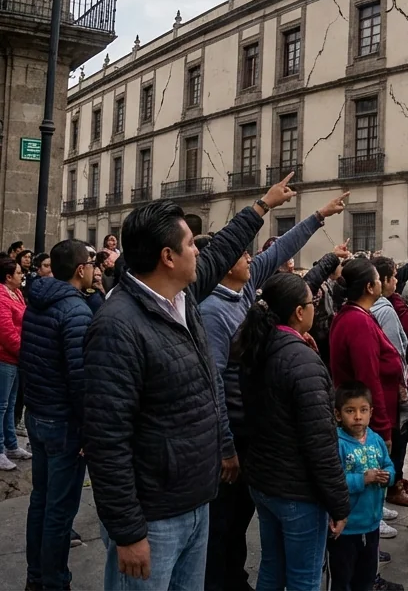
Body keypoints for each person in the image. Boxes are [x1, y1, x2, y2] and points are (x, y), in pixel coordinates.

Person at [84, 176, 293, 591]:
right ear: (167, 256)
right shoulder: (117, 326)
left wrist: (262, 207)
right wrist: (128, 532)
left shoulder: (184, 296)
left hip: (197, 502)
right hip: (153, 518)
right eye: (191, 244)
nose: (199, 251)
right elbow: (106, 441)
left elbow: (222, 250)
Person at [200, 192, 345, 591]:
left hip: (257, 433)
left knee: (254, 531)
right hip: (235, 435)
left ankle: (235, 577)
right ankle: (223, 581)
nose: (251, 259)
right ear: (225, 264)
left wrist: (318, 216)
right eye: (243, 255)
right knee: (225, 526)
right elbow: (213, 383)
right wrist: (226, 447)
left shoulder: (245, 294)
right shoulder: (213, 312)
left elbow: (283, 248)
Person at [235, 272, 351, 591]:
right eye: (312, 303)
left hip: (265, 481)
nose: (316, 307)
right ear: (299, 312)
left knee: (272, 566)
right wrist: (339, 503)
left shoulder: (256, 346)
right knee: (304, 576)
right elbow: (320, 444)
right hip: (297, 491)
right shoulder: (301, 361)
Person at [21, 240, 95, 590]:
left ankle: (36, 576)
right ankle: (54, 581)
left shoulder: (39, 299)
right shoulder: (75, 312)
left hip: (39, 415)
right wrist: (87, 429)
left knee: (41, 500)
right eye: (91, 263)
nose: (96, 268)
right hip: (62, 422)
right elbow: (81, 379)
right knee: (59, 511)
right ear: (80, 270)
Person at [328, 259, 405, 542]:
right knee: (364, 470)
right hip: (362, 417)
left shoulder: (357, 315)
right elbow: (368, 378)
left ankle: (373, 514)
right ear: (370, 286)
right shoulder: (357, 321)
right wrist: (382, 426)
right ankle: (365, 528)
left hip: (364, 410)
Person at [331, 381, 395, 591]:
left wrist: (389, 476)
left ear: (371, 412)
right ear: (338, 414)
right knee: (342, 577)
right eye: (350, 410)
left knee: (366, 576)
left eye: (363, 410)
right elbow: (333, 480)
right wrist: (362, 479)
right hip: (346, 528)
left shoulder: (375, 440)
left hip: (371, 524)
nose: (358, 416)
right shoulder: (337, 443)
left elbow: (388, 465)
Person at [370, 257, 408, 511]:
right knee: (385, 443)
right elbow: (394, 351)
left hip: (388, 386)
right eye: (393, 277)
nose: (397, 281)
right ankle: (378, 503)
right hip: (388, 388)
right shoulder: (385, 310)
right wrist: (401, 383)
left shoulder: (382, 306)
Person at [0, 257, 29, 469]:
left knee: (10, 404)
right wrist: (22, 350)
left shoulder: (17, 293)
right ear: (8, 277)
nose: (22, 276)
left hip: (16, 358)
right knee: (1, 406)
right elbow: (6, 331)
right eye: (19, 273)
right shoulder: (1, 296)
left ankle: (11, 444)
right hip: (5, 358)